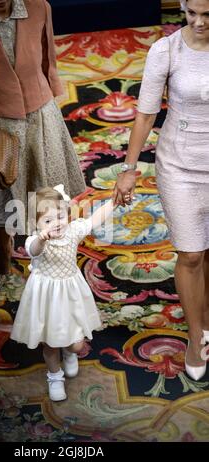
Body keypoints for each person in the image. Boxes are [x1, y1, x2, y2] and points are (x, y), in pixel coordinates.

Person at [0, 0, 86, 290]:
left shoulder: (40, 8)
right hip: (0, 124)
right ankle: (3, 246)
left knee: (47, 189)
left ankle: (53, 249)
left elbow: (49, 59)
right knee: (2, 194)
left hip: (41, 113)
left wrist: (50, 107)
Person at [113, 0, 209, 381]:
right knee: (191, 255)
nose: (199, 22)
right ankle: (195, 335)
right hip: (180, 167)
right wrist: (129, 169)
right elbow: (147, 112)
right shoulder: (165, 50)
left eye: (208, 15)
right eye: (192, 14)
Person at [11, 185, 113, 401]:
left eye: (59, 217)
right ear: (36, 224)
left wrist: (116, 200)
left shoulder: (72, 231)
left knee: (76, 344)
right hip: (47, 296)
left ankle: (69, 350)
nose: (56, 224)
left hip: (70, 292)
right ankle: (54, 376)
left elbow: (95, 219)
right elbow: (33, 250)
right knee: (50, 342)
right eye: (47, 221)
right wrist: (42, 238)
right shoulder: (36, 240)